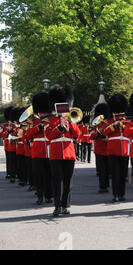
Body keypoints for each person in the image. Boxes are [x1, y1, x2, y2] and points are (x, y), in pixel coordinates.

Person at [46, 85, 81, 217]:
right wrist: (59, 127)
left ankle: (65, 205)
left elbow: (77, 135)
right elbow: (49, 136)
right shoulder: (50, 121)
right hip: (55, 153)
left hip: (69, 153)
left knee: (67, 181)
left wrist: (70, 122)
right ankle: (57, 206)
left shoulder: (71, 120)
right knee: (57, 180)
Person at [101, 94, 130, 203]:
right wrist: (114, 125)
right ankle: (115, 194)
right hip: (113, 149)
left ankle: (122, 194)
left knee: (123, 174)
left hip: (125, 149)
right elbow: (104, 132)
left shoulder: (127, 121)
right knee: (115, 173)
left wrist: (123, 125)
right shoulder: (108, 121)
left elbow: (130, 132)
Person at [26, 93, 53, 205]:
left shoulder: (52, 120)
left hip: (49, 150)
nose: (43, 113)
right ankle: (40, 196)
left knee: (49, 175)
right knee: (38, 175)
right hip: (37, 151)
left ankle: (48, 196)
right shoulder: (34, 122)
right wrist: (38, 127)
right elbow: (27, 135)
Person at [90, 103, 111, 193]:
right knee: (101, 169)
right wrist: (99, 133)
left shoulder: (109, 122)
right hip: (99, 148)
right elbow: (92, 136)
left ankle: (106, 184)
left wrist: (108, 139)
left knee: (108, 168)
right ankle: (102, 186)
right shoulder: (95, 123)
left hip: (109, 148)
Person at [0, 106, 15, 180]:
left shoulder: (15, 126)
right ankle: (9, 173)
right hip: (8, 146)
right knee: (9, 160)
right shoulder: (5, 126)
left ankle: (15, 173)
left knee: (15, 160)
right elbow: (0, 135)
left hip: (15, 145)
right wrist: (7, 131)